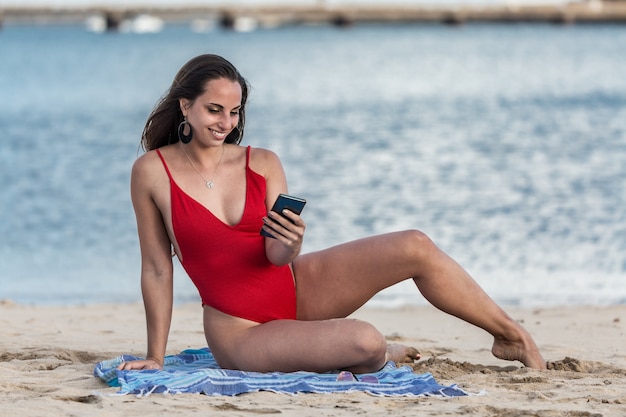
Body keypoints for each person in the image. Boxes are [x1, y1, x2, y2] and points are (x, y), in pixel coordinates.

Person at [118, 54, 546, 374]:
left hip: (295, 286)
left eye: (235, 112)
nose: (226, 122)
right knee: (366, 340)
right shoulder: (151, 173)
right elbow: (157, 269)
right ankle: (377, 353)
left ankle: (510, 335)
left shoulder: (263, 162)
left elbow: (275, 258)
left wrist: (291, 244)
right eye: (215, 110)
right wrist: (156, 356)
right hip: (241, 331)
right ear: (185, 106)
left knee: (414, 244)